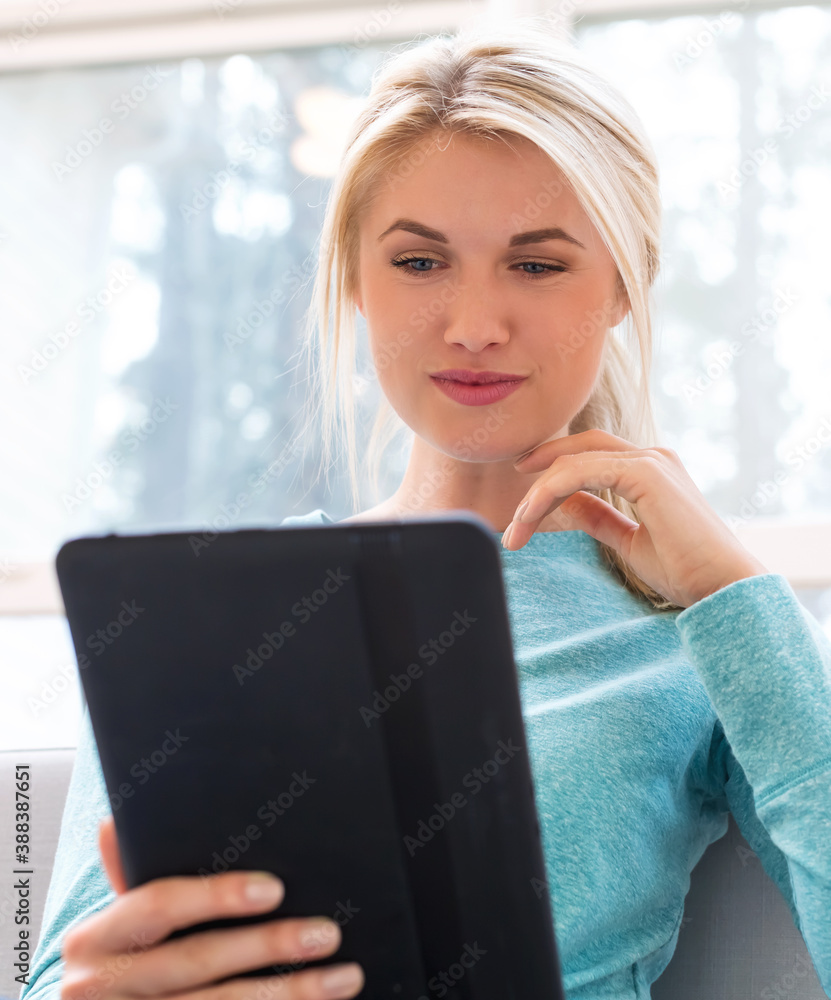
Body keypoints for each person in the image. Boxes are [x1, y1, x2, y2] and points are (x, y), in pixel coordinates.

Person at [22, 17, 831, 1000]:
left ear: (625, 285)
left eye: (536, 264)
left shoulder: (708, 635)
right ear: (355, 282)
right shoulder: (213, 615)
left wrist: (731, 587)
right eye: (418, 262)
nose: (476, 326)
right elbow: (63, 972)